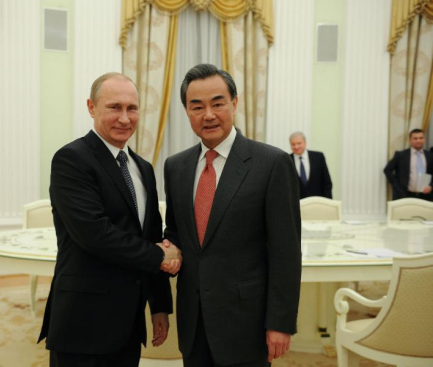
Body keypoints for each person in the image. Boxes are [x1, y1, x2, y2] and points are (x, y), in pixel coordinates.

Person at [38, 72, 182, 367]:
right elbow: (95, 233)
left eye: (132, 108)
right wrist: (161, 255)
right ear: (91, 107)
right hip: (83, 320)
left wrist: (159, 306)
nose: (125, 118)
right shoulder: (71, 159)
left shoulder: (143, 168)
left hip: (128, 323)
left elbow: (151, 234)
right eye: (114, 107)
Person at [163, 64, 302, 367]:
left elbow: (286, 251)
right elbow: (176, 229)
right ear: (187, 111)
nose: (208, 114)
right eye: (197, 106)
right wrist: (168, 246)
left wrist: (280, 321)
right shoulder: (176, 167)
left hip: (246, 320)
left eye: (218, 103)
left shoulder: (271, 163)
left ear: (234, 104)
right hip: (193, 317)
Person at [384, 128, 433, 201]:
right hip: (404, 195)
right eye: (415, 138)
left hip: (426, 196)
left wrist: (431, 186)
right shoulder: (400, 155)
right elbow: (387, 170)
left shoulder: (430, 155)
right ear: (410, 140)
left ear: (424, 139)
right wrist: (396, 186)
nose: (418, 140)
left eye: (421, 138)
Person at [289, 132, 333, 199]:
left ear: (305, 143)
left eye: (299, 143)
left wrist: (327, 202)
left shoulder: (318, 157)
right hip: (296, 204)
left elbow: (327, 182)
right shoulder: (287, 160)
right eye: (293, 144)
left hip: (318, 202)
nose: (296, 146)